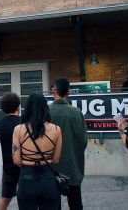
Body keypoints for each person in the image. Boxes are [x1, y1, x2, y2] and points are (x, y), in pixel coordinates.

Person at [12, 93, 62, 210]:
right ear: (45, 108)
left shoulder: (19, 129)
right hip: (48, 178)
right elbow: (56, 159)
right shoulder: (56, 129)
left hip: (26, 177)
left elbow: (17, 160)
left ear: (27, 108)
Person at [49, 77, 88, 210]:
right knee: (76, 203)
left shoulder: (46, 112)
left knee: (53, 204)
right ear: (68, 93)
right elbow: (83, 141)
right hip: (73, 167)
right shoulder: (77, 113)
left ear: (53, 91)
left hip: (51, 169)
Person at [0, 92, 22, 210]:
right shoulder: (24, 123)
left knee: (5, 198)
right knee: (27, 199)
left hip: (7, 168)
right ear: (18, 106)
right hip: (24, 166)